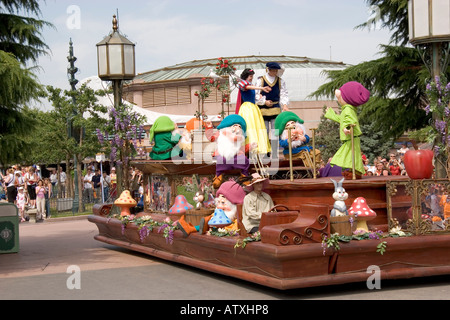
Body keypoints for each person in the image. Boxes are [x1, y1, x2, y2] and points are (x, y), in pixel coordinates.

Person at [324, 81, 371, 179]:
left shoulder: (348, 110)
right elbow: (342, 120)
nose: (338, 100)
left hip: (351, 137)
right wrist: (330, 114)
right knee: (351, 155)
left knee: (349, 155)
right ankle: (353, 171)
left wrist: (347, 128)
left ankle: (355, 171)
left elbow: (350, 120)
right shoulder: (348, 109)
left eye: (339, 98)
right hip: (351, 138)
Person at [176, 181, 246, 236]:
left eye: (223, 203)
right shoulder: (218, 213)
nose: (219, 206)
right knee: (207, 220)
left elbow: (234, 230)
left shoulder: (237, 221)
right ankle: (189, 228)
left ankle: (191, 228)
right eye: (218, 202)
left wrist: (216, 231)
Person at [236, 68, 271, 155]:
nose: (251, 78)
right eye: (250, 76)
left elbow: (254, 95)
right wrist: (262, 87)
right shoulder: (242, 83)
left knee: (257, 127)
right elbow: (246, 87)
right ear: (246, 76)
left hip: (253, 108)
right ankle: (249, 148)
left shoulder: (251, 85)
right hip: (247, 108)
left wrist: (260, 97)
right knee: (250, 127)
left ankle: (259, 147)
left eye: (252, 76)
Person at [213, 114, 253, 189]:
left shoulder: (237, 143)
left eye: (239, 129)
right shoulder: (223, 138)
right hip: (224, 155)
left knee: (244, 160)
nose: (237, 131)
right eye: (234, 129)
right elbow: (211, 138)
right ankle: (218, 176)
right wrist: (208, 127)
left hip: (236, 156)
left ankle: (244, 176)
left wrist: (250, 146)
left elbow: (243, 148)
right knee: (220, 160)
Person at [256, 62, 290, 138]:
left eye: (276, 71)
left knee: (275, 130)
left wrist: (285, 105)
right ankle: (266, 149)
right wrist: (265, 102)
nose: (275, 72)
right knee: (265, 130)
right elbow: (256, 94)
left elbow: (283, 94)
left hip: (275, 108)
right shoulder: (260, 80)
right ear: (269, 70)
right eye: (273, 70)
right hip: (263, 109)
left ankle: (275, 149)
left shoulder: (280, 81)